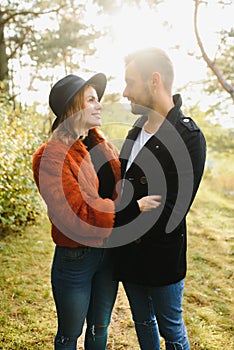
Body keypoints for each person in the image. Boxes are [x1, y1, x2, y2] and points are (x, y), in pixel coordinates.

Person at [32, 72, 160, 350]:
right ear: (72, 108)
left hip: (109, 251)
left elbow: (123, 185)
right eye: (91, 100)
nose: (99, 105)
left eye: (98, 99)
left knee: (100, 326)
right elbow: (76, 213)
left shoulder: (101, 146)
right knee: (70, 332)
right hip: (77, 255)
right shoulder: (51, 155)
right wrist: (130, 209)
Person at [113, 47, 207, 350]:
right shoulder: (134, 132)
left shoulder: (189, 137)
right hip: (128, 255)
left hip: (161, 258)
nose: (125, 91)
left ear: (154, 81)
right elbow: (121, 193)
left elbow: (170, 210)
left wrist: (119, 217)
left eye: (130, 82)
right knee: (142, 322)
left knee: (172, 331)